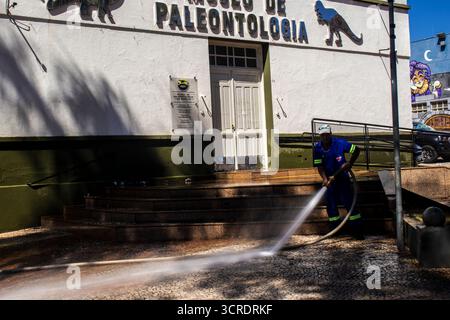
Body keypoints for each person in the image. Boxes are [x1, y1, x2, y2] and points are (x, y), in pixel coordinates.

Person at [313, 124, 364, 240]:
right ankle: (335, 231)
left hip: (343, 179)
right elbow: (319, 165)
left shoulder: (340, 143)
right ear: (320, 136)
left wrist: (350, 163)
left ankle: (357, 230)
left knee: (349, 204)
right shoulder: (317, 148)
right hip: (330, 182)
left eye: (327, 135)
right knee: (331, 206)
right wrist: (325, 179)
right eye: (322, 135)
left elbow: (356, 150)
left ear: (330, 134)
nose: (325, 137)